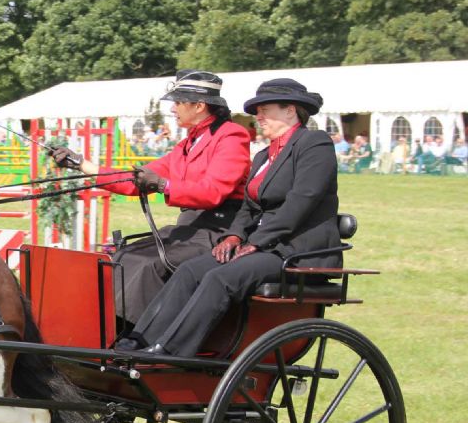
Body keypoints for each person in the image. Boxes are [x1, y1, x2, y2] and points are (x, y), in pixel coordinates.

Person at [119, 78, 341, 357]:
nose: (257, 116)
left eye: (264, 110)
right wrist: (233, 236)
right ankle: (138, 340)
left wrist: (257, 242)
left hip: (295, 250)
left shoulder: (314, 144)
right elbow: (248, 207)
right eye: (256, 110)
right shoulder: (263, 156)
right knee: (190, 270)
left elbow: (301, 202)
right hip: (263, 245)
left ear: (290, 110)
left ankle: (171, 350)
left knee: (220, 277)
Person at [49, 70, 251, 348]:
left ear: (199, 105)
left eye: (178, 102)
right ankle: (106, 330)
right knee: (123, 254)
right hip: (190, 228)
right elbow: (134, 181)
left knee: (149, 265)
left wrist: (164, 185)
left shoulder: (231, 136)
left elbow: (214, 190)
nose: (173, 108)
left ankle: (138, 339)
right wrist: (82, 165)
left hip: (218, 231)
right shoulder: (186, 145)